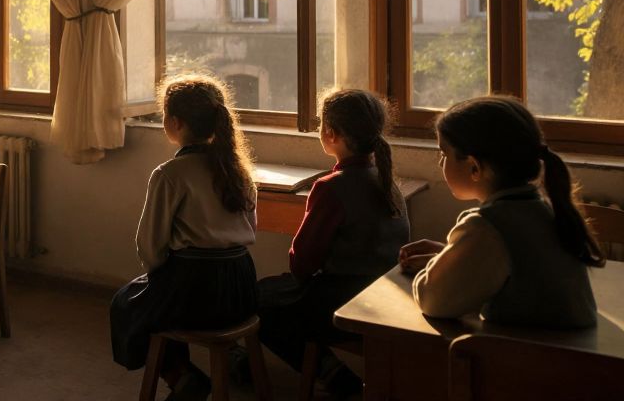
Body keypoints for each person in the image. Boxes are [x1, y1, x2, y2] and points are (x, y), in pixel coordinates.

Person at [250, 89, 408, 398]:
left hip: (345, 299)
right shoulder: (387, 181)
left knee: (257, 302)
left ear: (330, 133)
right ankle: (332, 373)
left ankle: (333, 375)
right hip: (385, 295)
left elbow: (302, 265)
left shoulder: (331, 187)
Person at [110, 74, 258, 401]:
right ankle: (228, 358)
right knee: (156, 298)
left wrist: (162, 274)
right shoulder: (239, 170)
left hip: (195, 289)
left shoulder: (170, 174)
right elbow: (251, 229)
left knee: (127, 304)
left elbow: (150, 249)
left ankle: (181, 378)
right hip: (241, 287)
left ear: (174, 122)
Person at [400, 96, 602, 329]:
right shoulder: (541, 209)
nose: (440, 164)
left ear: (474, 167)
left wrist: (432, 269)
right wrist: (448, 257)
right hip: (572, 357)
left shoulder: (486, 227)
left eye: (443, 154)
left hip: (527, 360)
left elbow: (433, 300)